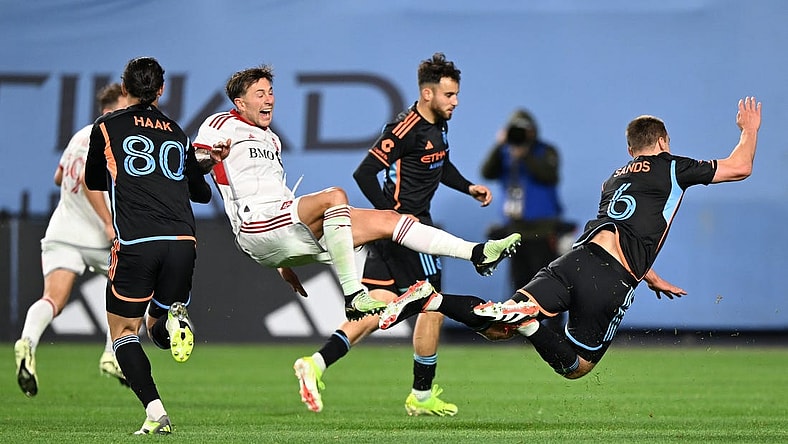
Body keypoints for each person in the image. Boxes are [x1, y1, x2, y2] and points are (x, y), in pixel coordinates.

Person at [378, 97, 762, 380]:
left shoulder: (613, 178)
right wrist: (749, 130)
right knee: (577, 367)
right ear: (664, 141)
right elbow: (740, 167)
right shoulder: (672, 166)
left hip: (575, 260)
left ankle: (434, 298)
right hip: (612, 279)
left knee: (498, 326)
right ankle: (529, 324)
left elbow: (617, 228)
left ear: (630, 149)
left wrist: (652, 274)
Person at [191, 64, 520, 321]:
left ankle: (477, 254)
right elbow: (194, 163)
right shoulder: (221, 124)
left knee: (391, 219)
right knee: (335, 195)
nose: (269, 99)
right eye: (260, 93)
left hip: (282, 230)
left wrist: (283, 262)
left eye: (271, 91)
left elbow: (272, 193)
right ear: (240, 102)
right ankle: (352, 296)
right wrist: (209, 157)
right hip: (254, 228)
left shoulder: (271, 139)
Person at [293, 52, 491, 416]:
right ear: (428, 94)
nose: (456, 102)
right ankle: (421, 393)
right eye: (450, 95)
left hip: (400, 232)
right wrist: (392, 218)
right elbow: (364, 173)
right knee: (432, 307)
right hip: (410, 232)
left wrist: (468, 187)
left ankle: (316, 363)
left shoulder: (437, 125)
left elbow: (440, 163)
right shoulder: (405, 129)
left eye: (457, 94)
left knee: (375, 305)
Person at [85, 57, 225, 435]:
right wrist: (199, 166)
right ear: (161, 91)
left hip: (138, 240)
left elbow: (94, 180)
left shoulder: (106, 126)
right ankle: (170, 320)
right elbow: (200, 192)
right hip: (183, 240)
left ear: (124, 88)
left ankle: (155, 412)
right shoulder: (179, 134)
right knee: (155, 325)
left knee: (123, 331)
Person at [13, 83, 129, 398]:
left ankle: (27, 342)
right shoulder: (107, 136)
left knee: (53, 299)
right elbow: (87, 182)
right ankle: (112, 354)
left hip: (62, 231)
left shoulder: (79, 135)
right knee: (133, 290)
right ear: (109, 111)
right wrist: (108, 222)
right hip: (98, 237)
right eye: (124, 106)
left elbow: (60, 176)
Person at [480, 109, 572, 332]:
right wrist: (500, 144)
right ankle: (522, 326)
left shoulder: (545, 151)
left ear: (533, 131)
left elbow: (549, 176)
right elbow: (486, 172)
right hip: (515, 229)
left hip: (543, 227)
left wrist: (525, 155)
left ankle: (556, 327)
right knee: (519, 280)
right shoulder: (505, 153)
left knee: (547, 279)